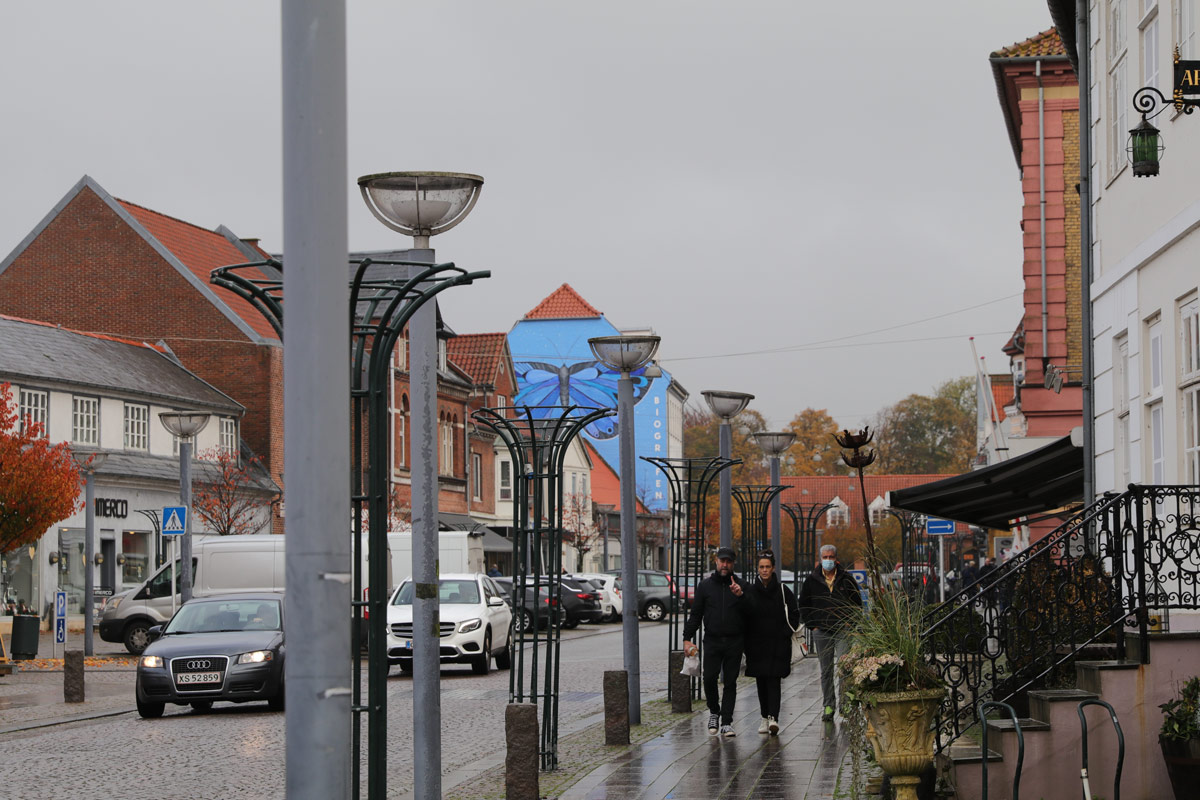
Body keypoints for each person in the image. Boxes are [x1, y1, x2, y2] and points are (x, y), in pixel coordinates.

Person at [682, 546, 749, 738]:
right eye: (722, 561)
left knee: (730, 681)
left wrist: (741, 596)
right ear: (716, 562)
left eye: (728, 561)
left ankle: (726, 721)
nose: (725, 565)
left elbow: (751, 612)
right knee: (709, 677)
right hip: (712, 639)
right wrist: (687, 638)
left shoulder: (742, 585)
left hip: (735, 640)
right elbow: (696, 614)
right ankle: (714, 711)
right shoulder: (705, 586)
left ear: (733, 563)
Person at [798, 544, 863, 721]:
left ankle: (845, 705)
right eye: (825, 557)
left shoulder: (846, 579)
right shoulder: (812, 580)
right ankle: (828, 705)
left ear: (836, 559)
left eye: (831, 557)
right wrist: (813, 625)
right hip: (822, 631)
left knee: (844, 668)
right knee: (825, 670)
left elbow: (857, 604)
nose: (828, 560)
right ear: (820, 559)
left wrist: (851, 623)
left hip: (843, 630)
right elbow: (804, 605)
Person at [743, 549, 800, 736]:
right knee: (761, 681)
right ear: (757, 569)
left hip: (777, 644)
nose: (764, 570)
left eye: (767, 567)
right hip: (757, 644)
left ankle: (773, 717)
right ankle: (764, 717)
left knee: (774, 680)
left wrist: (785, 633)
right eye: (761, 567)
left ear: (773, 568)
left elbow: (794, 614)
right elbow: (744, 615)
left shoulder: (783, 591)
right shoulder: (751, 591)